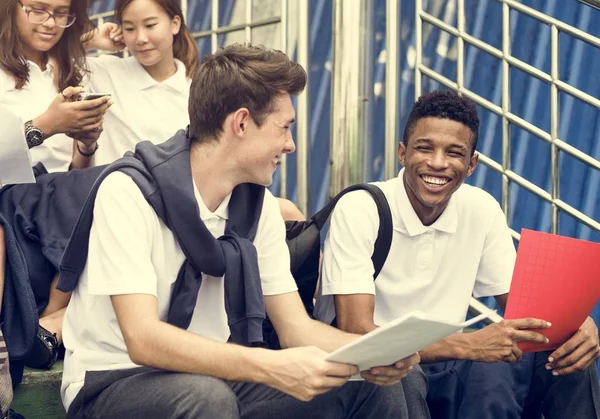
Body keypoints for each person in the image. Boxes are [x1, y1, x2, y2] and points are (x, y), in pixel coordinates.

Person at [58, 43, 424, 419]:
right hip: (115, 381)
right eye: (284, 128)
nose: (291, 144)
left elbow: (297, 330)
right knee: (206, 398)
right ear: (242, 123)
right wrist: (271, 366)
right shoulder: (129, 191)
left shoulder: (258, 207)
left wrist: (374, 355)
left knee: (381, 386)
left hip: (218, 379)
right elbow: (143, 339)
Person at [314, 90, 600, 419]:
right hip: (373, 373)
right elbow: (358, 333)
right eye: (424, 148)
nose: (438, 163)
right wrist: (468, 345)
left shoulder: (480, 208)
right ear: (402, 153)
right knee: (412, 374)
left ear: (471, 164)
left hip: (447, 365)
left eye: (454, 153)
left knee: (567, 358)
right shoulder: (362, 208)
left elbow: (528, 316)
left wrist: (578, 329)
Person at [0, 0, 114, 370]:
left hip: (54, 202)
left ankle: (51, 324)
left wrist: (86, 142)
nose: (51, 23)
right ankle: (58, 311)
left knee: (110, 181)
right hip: (12, 199)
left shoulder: (68, 72)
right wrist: (45, 124)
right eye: (38, 9)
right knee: (109, 183)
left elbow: (75, 172)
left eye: (62, 13)